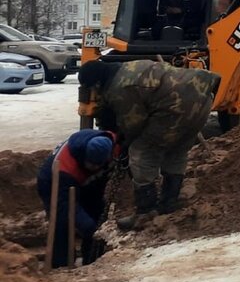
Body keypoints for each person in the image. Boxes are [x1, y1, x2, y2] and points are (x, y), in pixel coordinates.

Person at [77, 59, 221, 229]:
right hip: (201, 96)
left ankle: (145, 212)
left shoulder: (120, 87)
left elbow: (134, 124)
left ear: (97, 83)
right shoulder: (126, 67)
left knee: (141, 152)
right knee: (178, 149)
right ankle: (169, 202)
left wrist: (123, 143)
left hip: (175, 105)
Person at [37, 129, 119, 267]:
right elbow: (66, 204)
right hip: (52, 183)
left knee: (97, 213)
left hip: (86, 181)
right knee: (62, 221)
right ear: (84, 156)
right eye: (91, 164)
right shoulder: (65, 167)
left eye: (98, 165)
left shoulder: (115, 145)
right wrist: (86, 225)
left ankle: (93, 259)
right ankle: (60, 264)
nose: (94, 167)